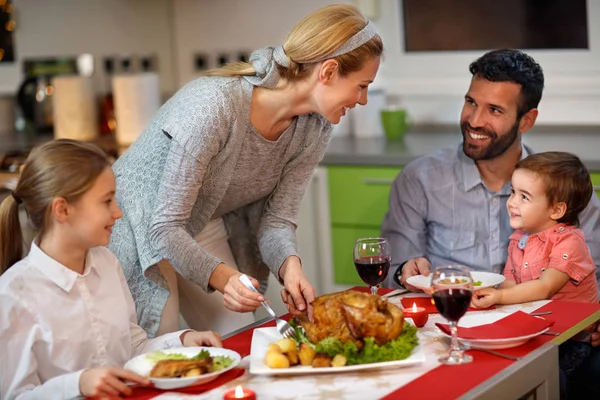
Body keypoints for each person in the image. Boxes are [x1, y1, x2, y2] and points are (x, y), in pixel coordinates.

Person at [108, 4, 382, 338]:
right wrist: (224, 278)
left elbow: (277, 220)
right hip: (138, 224)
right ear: (327, 72)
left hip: (200, 220)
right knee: (159, 350)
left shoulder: (316, 128)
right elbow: (164, 228)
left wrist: (290, 266)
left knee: (243, 338)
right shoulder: (215, 106)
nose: (364, 100)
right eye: (362, 85)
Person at [0, 140, 222, 400]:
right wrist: (79, 384)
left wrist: (182, 341)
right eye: (106, 201)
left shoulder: (107, 263)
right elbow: (15, 396)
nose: (118, 213)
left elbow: (132, 348)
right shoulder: (13, 296)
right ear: (62, 209)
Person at [381, 49, 600, 291]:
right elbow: (392, 271)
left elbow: (595, 271)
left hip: (548, 325)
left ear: (526, 120)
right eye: (471, 102)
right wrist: (404, 272)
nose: (474, 120)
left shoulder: (565, 185)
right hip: (450, 324)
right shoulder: (418, 179)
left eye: (494, 110)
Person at [472, 151, 598, 399]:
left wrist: (497, 297)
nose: (511, 202)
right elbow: (510, 282)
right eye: (512, 192)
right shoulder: (519, 239)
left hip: (572, 338)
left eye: (524, 197)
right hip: (541, 328)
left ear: (556, 210)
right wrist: (486, 291)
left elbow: (544, 288)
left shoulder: (569, 242)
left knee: (536, 375)